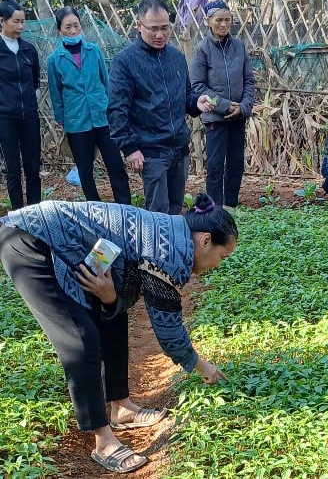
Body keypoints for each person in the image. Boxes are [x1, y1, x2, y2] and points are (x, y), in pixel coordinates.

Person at [0, 193, 236, 473]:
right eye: (221, 257)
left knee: (112, 313)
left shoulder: (174, 232)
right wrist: (199, 365)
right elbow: (168, 329)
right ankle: (103, 442)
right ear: (205, 240)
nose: (216, 266)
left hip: (68, 243)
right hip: (30, 242)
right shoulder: (172, 251)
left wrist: (111, 299)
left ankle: (121, 406)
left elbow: (115, 264)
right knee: (80, 340)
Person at [109, 0, 212, 215]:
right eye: (153, 28)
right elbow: (117, 109)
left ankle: (172, 250)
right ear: (139, 25)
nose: (160, 34)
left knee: (175, 209)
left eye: (165, 28)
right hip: (151, 151)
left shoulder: (176, 57)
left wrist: (197, 102)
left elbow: (186, 96)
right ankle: (153, 250)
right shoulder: (125, 62)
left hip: (179, 149)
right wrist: (129, 147)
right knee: (157, 212)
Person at [47, 6, 131, 204]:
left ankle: (126, 207)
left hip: (102, 116)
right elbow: (55, 92)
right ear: (60, 30)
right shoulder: (54, 60)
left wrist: (111, 108)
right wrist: (61, 119)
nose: (73, 30)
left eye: (76, 25)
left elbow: (106, 81)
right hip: (76, 120)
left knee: (115, 164)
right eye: (68, 27)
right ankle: (95, 208)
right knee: (85, 169)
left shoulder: (94, 51)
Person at [190, 0, 255, 210]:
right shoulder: (202, 49)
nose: (224, 25)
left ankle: (231, 206)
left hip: (238, 117)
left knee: (236, 163)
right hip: (215, 118)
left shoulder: (239, 47)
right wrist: (224, 105)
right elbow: (198, 87)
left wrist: (243, 107)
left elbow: (249, 82)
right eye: (219, 20)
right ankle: (214, 209)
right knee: (216, 166)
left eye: (228, 20)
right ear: (208, 21)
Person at [0, 0, 41, 210]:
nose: (21, 26)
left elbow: (34, 80)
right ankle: (17, 215)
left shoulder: (28, 50)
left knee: (33, 167)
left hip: (30, 117)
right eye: (16, 21)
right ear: (2, 21)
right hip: (5, 119)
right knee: (13, 170)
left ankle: (35, 213)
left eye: (23, 21)